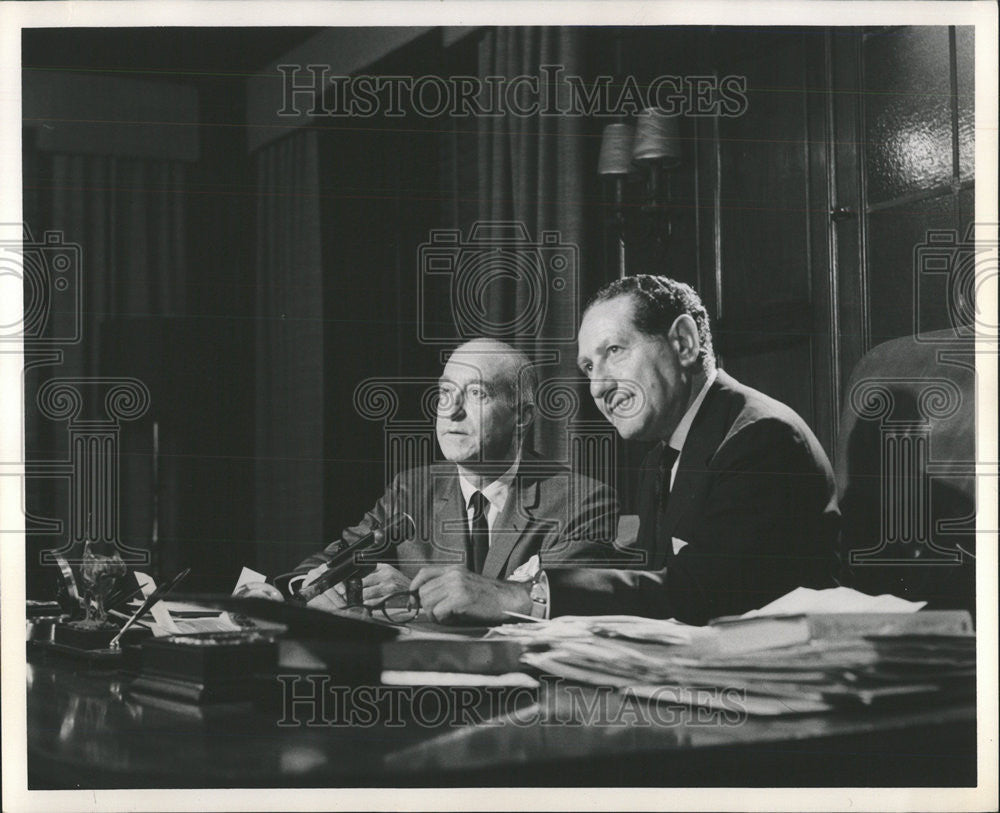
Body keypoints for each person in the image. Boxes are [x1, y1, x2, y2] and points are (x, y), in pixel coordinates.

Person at [410, 275, 840, 625]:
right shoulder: (660, 458)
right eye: (588, 368)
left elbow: (697, 595)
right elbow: (654, 584)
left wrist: (524, 595)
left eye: (614, 352)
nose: (599, 387)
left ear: (684, 343)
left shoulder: (762, 439)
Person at [291, 338, 620, 619]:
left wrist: (416, 599)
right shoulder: (411, 489)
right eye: (445, 393)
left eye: (477, 394)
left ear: (523, 416)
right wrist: (289, 591)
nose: (452, 411)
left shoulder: (581, 501)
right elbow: (336, 558)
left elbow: (566, 611)